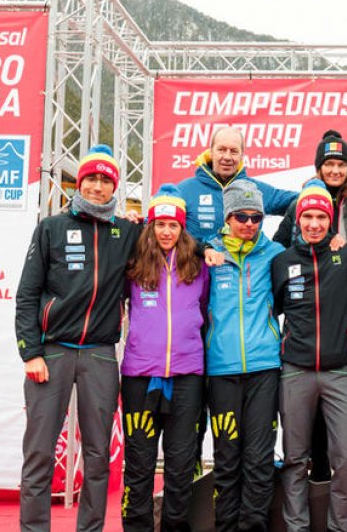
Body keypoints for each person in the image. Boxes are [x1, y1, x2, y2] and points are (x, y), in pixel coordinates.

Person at [15, 144, 140, 532]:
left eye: (105, 180)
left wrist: (140, 219)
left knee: (98, 456)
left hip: (100, 354)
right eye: (91, 179)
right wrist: (30, 352)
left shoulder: (125, 231)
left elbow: (170, 236)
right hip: (52, 352)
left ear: (114, 186)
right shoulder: (51, 228)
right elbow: (27, 294)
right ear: (79, 182)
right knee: (39, 453)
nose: (97, 187)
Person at [271, 179, 347, 532]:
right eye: (307, 217)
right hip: (296, 370)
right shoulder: (281, 262)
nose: (314, 224)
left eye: (321, 217)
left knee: (346, 458)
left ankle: (340, 528)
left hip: (341, 371)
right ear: (298, 220)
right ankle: (297, 527)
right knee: (295, 458)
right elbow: (271, 308)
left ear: (330, 221)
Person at [120, 185, 209, 532]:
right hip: (141, 376)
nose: (167, 231)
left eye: (173, 225)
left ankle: (175, 526)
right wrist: (126, 223)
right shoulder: (133, 261)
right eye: (160, 224)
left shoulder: (198, 265)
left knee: (181, 463)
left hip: (186, 376)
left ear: (182, 228)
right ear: (151, 226)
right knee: (139, 462)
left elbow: (205, 311)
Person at [203, 180, 285, 532]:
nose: (249, 224)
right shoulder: (209, 253)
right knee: (227, 458)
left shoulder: (274, 253)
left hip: (265, 368)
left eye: (256, 217)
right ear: (228, 217)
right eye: (241, 216)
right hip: (222, 369)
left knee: (259, 460)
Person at [177, 125, 297, 242]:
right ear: (211, 152)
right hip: (200, 256)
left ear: (242, 155)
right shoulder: (184, 191)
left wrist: (281, 243)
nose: (227, 157)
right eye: (221, 150)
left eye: (234, 151)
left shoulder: (256, 190)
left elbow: (301, 201)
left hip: (247, 257)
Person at [276, 129, 347, 250]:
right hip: (312, 262)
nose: (336, 171)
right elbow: (279, 248)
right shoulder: (300, 202)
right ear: (319, 168)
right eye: (329, 164)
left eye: (341, 165)